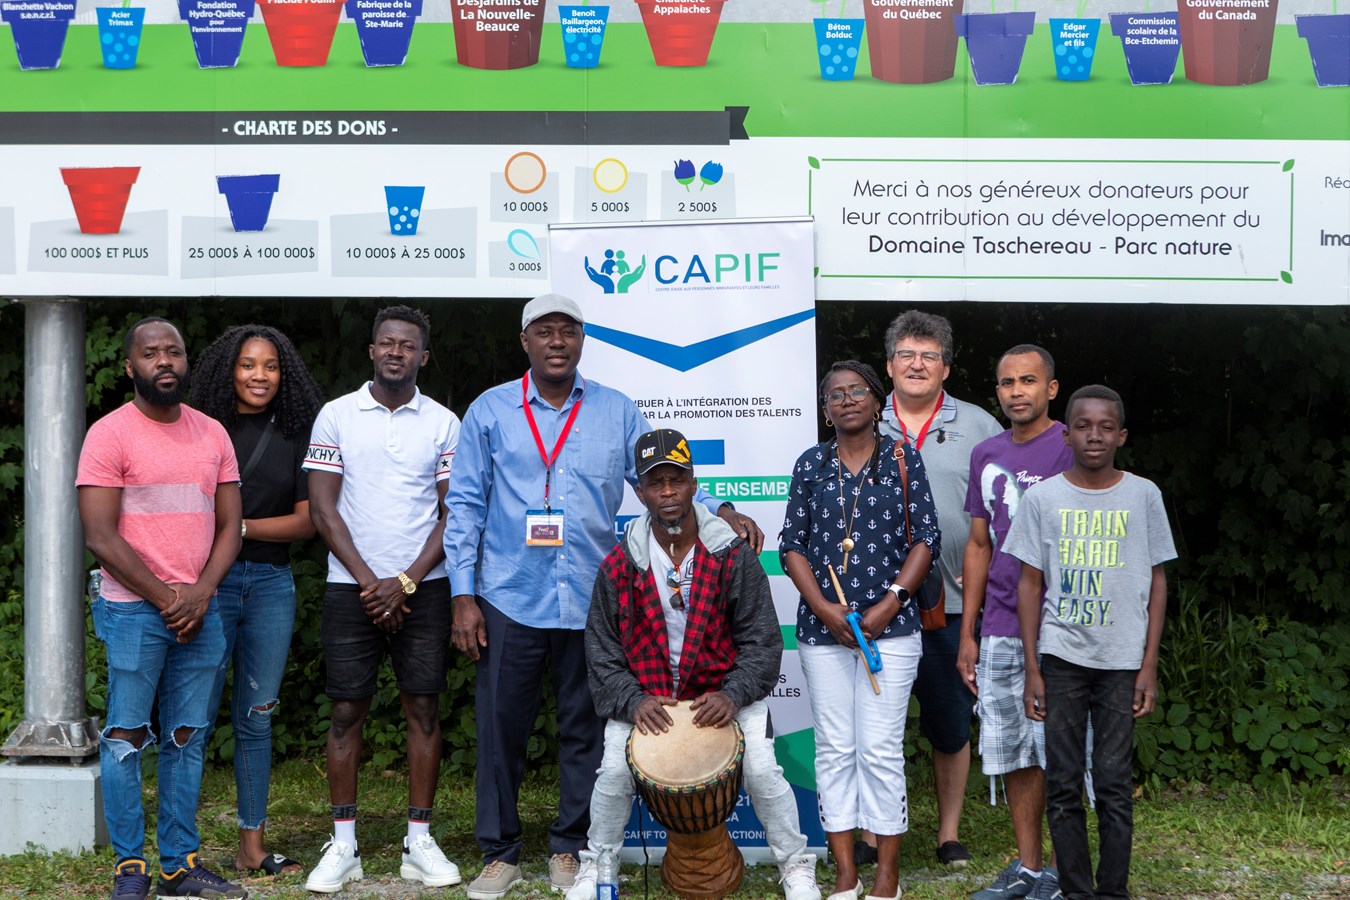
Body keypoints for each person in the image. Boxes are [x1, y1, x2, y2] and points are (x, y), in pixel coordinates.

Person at [443, 293, 764, 900]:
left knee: (585, 730)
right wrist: (463, 596)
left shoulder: (616, 411)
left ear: (583, 340)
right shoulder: (490, 411)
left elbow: (661, 476)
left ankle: (569, 846)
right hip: (508, 594)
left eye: (569, 331)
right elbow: (463, 507)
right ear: (526, 342)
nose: (557, 341)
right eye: (545, 332)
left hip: (594, 598)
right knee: (499, 727)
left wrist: (719, 508)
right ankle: (500, 853)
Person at [567, 429, 821, 900]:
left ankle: (795, 864)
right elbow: (601, 650)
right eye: (655, 482)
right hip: (650, 698)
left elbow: (762, 641)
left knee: (764, 771)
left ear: (692, 482)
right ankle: (598, 867)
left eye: (676, 480)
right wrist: (632, 699)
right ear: (640, 491)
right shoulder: (620, 564)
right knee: (613, 775)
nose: (667, 492)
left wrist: (734, 693)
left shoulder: (731, 555)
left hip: (724, 693)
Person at [77, 316, 248, 900]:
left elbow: (232, 527)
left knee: (185, 735)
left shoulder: (212, 434)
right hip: (134, 610)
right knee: (125, 735)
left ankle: (178, 864)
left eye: (173, 351)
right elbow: (100, 535)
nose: (164, 361)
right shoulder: (109, 435)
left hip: (201, 607)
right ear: (131, 367)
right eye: (151, 354)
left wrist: (199, 594)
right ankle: (130, 867)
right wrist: (167, 598)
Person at [302, 305, 462, 894]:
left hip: (424, 586)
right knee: (346, 712)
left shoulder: (445, 422)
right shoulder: (336, 415)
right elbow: (323, 508)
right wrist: (373, 583)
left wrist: (406, 581)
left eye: (408, 346)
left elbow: (455, 512)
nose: (397, 352)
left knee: (423, 709)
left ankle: (418, 841)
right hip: (352, 590)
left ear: (423, 356)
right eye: (387, 343)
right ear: (371, 351)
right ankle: (343, 845)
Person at [1006, 385, 1176, 900]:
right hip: (1061, 659)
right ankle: (1076, 890)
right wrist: (1034, 668)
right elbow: (1030, 583)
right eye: (1084, 425)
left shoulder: (1144, 494)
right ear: (1067, 432)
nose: (1095, 435)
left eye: (1106, 427)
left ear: (1121, 435)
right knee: (1062, 783)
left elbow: (1158, 580)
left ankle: (1113, 891)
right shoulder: (1043, 498)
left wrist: (1148, 664)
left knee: (1112, 782)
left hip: (1122, 659)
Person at [781, 360, 940, 900]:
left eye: (856, 391)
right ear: (826, 411)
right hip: (823, 632)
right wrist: (826, 610)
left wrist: (889, 605)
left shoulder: (903, 457)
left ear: (877, 401)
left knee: (878, 748)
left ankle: (886, 879)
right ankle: (846, 876)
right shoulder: (811, 465)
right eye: (834, 395)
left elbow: (926, 539)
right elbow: (792, 547)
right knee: (834, 748)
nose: (846, 400)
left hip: (889, 633)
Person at [191, 324, 324, 877]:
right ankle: (184, 850)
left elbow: (307, 520)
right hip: (209, 585)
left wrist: (235, 528)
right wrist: (229, 537)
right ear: (229, 370)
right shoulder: (200, 431)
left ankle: (252, 847)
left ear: (283, 371)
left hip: (270, 585)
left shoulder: (295, 430)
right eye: (248, 365)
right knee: (191, 717)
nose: (259, 376)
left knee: (256, 717)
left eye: (270, 365)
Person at [876, 310, 1000, 870]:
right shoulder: (859, 417)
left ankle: (948, 834)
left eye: (929, 355)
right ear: (889, 365)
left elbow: (1003, 516)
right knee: (873, 727)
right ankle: (875, 834)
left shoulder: (979, 426)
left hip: (951, 607)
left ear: (946, 366)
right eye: (907, 354)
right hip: (874, 610)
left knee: (949, 725)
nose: (917, 364)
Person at [958, 344, 1070, 900]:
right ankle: (1030, 869)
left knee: (1061, 749)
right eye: (1007, 383)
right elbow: (978, 544)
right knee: (1018, 751)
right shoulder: (986, 453)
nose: (1017, 391)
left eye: (1029, 381)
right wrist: (967, 633)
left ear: (1051, 388)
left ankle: (1065, 870)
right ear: (997, 391)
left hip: (1064, 623)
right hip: (1000, 621)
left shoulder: (1074, 446)